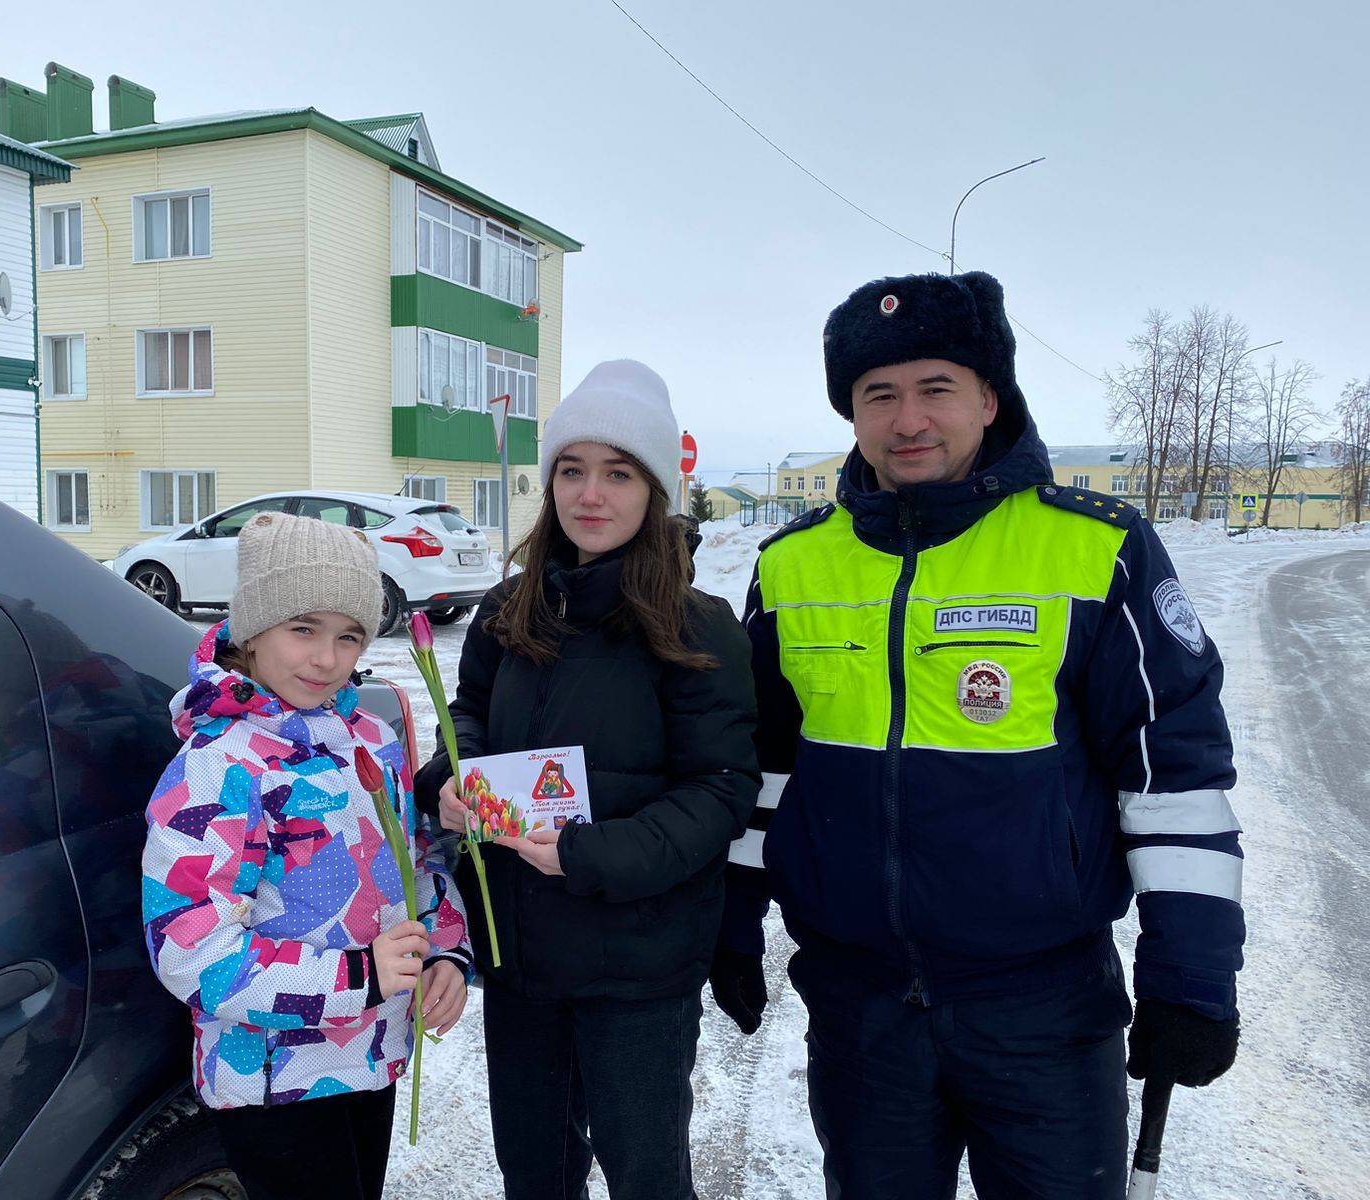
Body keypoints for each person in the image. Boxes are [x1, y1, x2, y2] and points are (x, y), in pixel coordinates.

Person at [709, 272, 1245, 1199]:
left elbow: (1174, 772)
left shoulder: (1093, 549)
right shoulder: (791, 564)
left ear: (989, 398)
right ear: (852, 414)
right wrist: (732, 917)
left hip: (1042, 1010)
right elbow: (766, 770)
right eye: (879, 394)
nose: (908, 418)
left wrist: (1189, 978)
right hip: (861, 1009)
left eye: (936, 387)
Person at [413, 360, 760, 1200]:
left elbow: (720, 791)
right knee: (534, 1172)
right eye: (573, 469)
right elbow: (465, 720)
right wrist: (448, 785)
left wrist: (588, 855)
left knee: (646, 1175)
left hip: (638, 966)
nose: (590, 494)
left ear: (653, 490)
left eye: (617, 472)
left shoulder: (695, 626)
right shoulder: (507, 611)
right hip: (524, 960)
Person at [142, 513, 472, 1200]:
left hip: (370, 1054)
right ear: (253, 629)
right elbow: (190, 948)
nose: (327, 658)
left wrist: (444, 951)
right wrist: (361, 977)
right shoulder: (220, 765)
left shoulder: (368, 738)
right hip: (273, 1079)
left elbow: (412, 863)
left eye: (348, 635)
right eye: (302, 629)